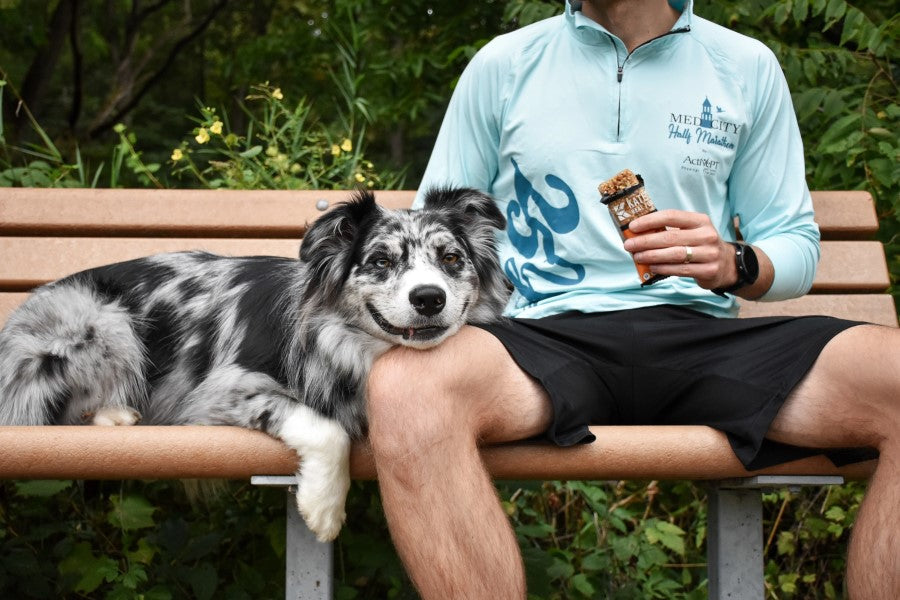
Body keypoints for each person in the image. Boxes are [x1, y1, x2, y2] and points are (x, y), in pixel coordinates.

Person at [364, 1, 900, 598]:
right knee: (404, 389)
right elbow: (433, 227)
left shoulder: (744, 65)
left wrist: (732, 262)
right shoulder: (504, 65)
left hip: (702, 332)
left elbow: (795, 245)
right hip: (543, 335)